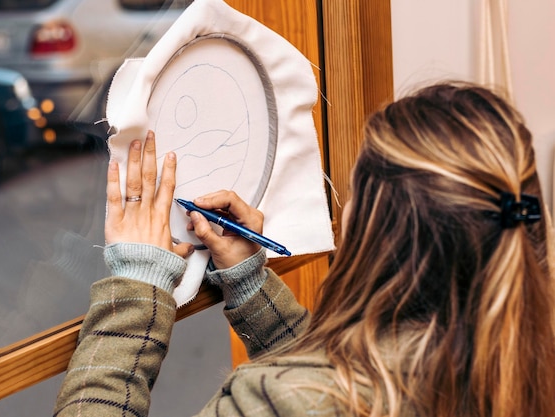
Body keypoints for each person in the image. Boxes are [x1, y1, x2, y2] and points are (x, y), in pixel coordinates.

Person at [53, 82, 555, 417]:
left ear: (374, 226)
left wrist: (136, 287)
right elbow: (353, 377)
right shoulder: (523, 354)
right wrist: (250, 283)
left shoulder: (276, 403)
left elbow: (316, 397)